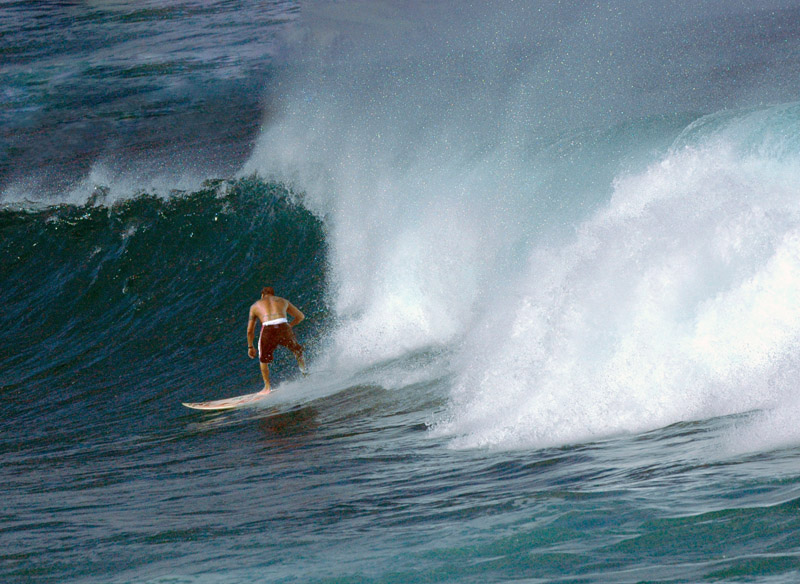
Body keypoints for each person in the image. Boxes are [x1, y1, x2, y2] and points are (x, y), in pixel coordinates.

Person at [247, 286, 306, 393]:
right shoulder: (283, 301)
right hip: (283, 325)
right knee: (297, 351)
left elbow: (250, 330)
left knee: (263, 359)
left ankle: (267, 387)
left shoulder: (255, 306)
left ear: (262, 295)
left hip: (268, 328)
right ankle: (305, 374)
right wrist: (290, 325)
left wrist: (250, 347)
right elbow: (300, 316)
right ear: (273, 295)